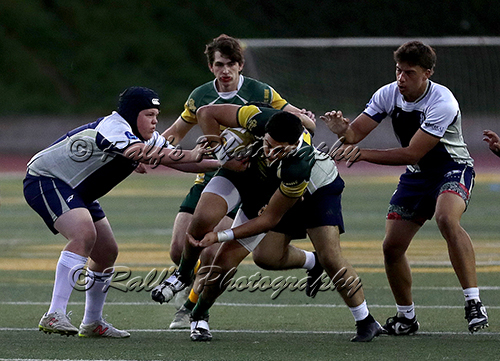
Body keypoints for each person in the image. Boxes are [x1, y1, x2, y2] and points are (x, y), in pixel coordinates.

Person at [154, 103, 383, 342]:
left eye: (279, 150)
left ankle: (365, 320)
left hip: (316, 191)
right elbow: (206, 112)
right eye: (268, 145)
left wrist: (220, 236)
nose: (270, 153)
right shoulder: (260, 119)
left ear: (295, 145)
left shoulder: (298, 166)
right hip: (260, 181)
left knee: (330, 256)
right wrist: (222, 153)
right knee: (259, 256)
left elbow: (268, 219)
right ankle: (188, 286)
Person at [321, 40, 489, 334]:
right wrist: (343, 131)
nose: (401, 78)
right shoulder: (388, 93)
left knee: (446, 218)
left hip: (453, 168)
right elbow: (355, 134)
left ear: (427, 73)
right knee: (392, 248)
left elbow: (412, 153)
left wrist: (362, 154)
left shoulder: (443, 102)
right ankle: (406, 318)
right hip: (417, 175)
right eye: (398, 70)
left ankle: (473, 301)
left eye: (409, 73)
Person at [23, 86, 217, 338]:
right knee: (83, 234)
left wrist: (226, 164)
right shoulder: (114, 127)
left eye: (156, 115)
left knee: (106, 252)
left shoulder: (144, 136)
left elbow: (181, 161)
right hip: (46, 178)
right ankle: (54, 314)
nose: (155, 121)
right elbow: (147, 153)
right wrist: (191, 153)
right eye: (149, 114)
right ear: (132, 114)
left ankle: (92, 322)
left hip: (77, 189)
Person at [159, 34, 321, 329]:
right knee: (180, 248)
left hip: (253, 175)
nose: (225, 70)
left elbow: (295, 120)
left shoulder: (260, 94)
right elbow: (176, 131)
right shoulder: (201, 96)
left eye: (231, 63)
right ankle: (183, 278)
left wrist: (305, 119)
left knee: (215, 253)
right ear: (211, 67)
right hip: (215, 171)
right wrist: (152, 151)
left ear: (240, 64)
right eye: (219, 64)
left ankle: (192, 308)